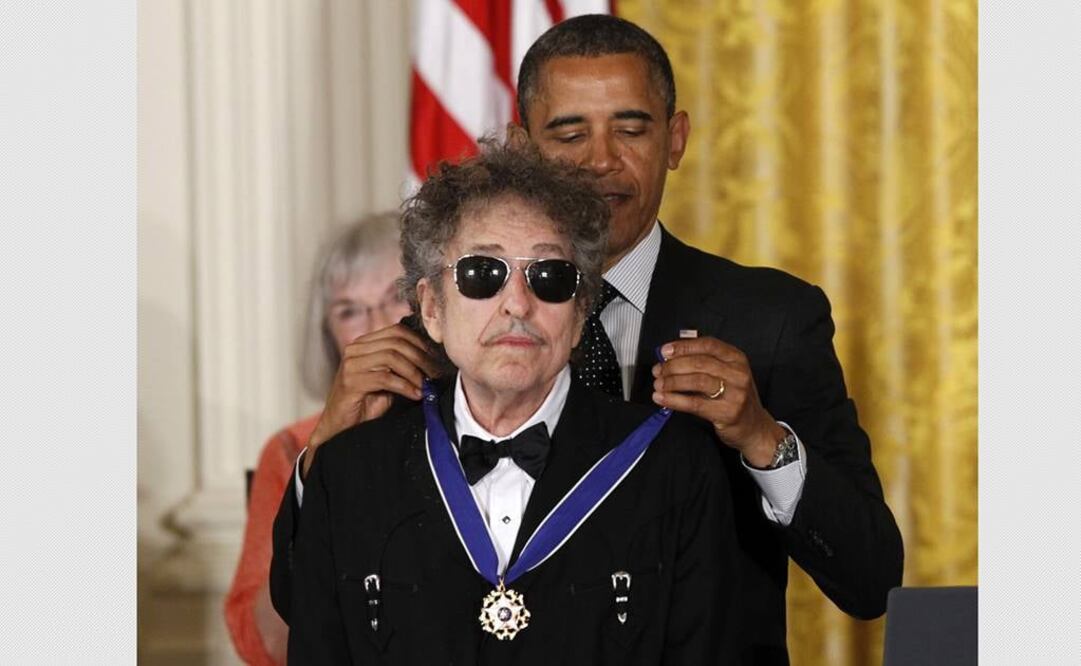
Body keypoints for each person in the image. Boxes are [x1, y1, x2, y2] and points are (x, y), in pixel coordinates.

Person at [277, 15, 904, 666]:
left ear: (675, 138)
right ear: (520, 145)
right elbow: (314, 605)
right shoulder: (437, 340)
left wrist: (760, 438)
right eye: (568, 131)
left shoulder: (769, 319)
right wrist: (327, 441)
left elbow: (869, 579)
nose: (600, 160)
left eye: (630, 128)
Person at [283, 142, 738, 664]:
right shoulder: (350, 474)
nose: (518, 304)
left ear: (580, 310)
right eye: (483, 273)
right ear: (431, 308)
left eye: (550, 278)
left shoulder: (672, 466)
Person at [224, 214, 409, 665]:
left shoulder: (488, 425)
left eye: (396, 297)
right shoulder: (292, 449)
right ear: (328, 335)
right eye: (350, 310)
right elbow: (260, 644)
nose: (376, 325)